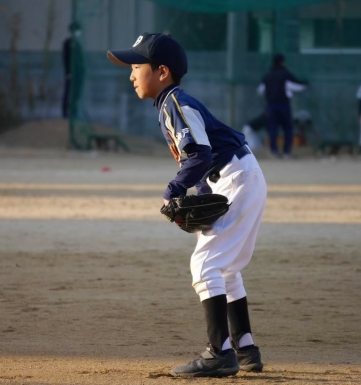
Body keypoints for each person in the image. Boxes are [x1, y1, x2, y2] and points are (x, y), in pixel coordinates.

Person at [107, 33, 267, 378]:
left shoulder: (175, 103)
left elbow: (198, 154)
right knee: (224, 267)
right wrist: (194, 195)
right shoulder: (171, 103)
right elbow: (201, 156)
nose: (131, 74)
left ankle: (220, 354)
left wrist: (172, 191)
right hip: (239, 176)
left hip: (235, 177)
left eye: (136, 66)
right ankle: (246, 348)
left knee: (205, 264)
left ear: (162, 72)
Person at [257, 53, 307, 159]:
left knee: (273, 129)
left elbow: (260, 90)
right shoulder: (285, 74)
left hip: (270, 106)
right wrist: (305, 84)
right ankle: (286, 152)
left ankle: (274, 151)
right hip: (283, 105)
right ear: (282, 62)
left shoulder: (268, 76)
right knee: (288, 128)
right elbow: (296, 86)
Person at [61, 22, 84, 119]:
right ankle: (65, 112)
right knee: (68, 91)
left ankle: (73, 110)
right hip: (71, 73)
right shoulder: (67, 43)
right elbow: (65, 58)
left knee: (77, 92)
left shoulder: (78, 44)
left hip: (78, 73)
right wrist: (68, 72)